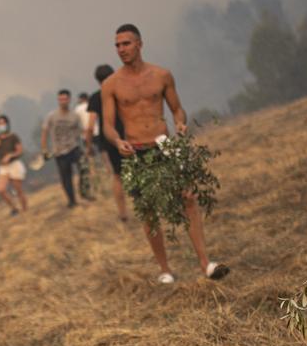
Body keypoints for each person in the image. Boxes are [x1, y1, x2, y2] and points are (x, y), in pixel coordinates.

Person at [102, 24, 229, 283]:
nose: (121, 49)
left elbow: (177, 109)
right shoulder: (111, 84)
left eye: (125, 43)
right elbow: (106, 124)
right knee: (148, 211)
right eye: (117, 45)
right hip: (137, 152)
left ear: (139, 44)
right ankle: (165, 270)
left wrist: (181, 124)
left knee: (189, 198)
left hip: (165, 146)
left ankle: (206, 264)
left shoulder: (162, 75)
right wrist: (117, 141)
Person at [87, 63, 130, 222]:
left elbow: (90, 126)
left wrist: (89, 146)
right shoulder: (122, 91)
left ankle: (123, 212)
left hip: (110, 139)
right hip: (129, 134)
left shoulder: (95, 97)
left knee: (117, 176)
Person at [41, 89, 88, 208]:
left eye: (65, 99)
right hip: (59, 151)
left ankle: (84, 192)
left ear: (69, 99)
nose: (63, 101)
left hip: (73, 147)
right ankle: (72, 200)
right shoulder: (51, 116)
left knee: (84, 167)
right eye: (60, 99)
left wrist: (86, 146)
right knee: (66, 177)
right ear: (58, 100)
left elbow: (80, 132)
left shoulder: (75, 116)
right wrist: (44, 150)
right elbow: (45, 132)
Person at [0, 115, 29, 216]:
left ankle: (25, 209)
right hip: (3, 166)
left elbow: (20, 151)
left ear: (7, 124)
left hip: (14, 164)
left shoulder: (13, 137)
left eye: (3, 123)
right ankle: (14, 207)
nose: (1, 125)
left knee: (18, 190)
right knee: (0, 189)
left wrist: (10, 155)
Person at [74, 91, 96, 199]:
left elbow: (76, 123)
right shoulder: (92, 105)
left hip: (85, 135)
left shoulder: (78, 109)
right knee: (103, 155)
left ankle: (94, 174)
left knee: (89, 157)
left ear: (81, 99)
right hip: (97, 132)